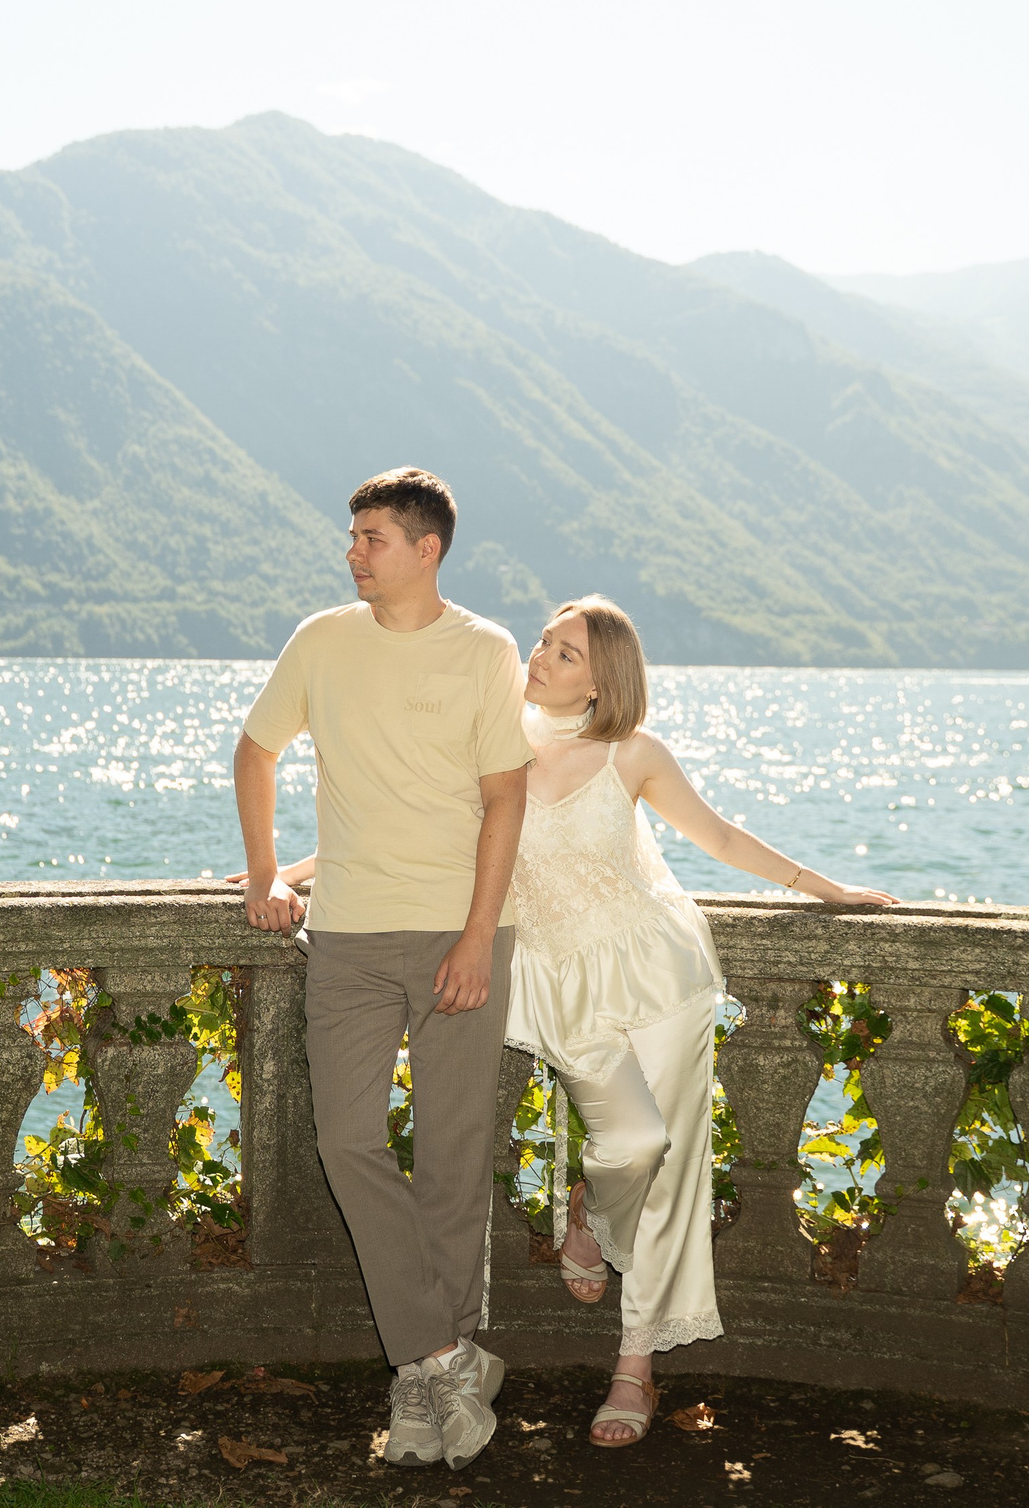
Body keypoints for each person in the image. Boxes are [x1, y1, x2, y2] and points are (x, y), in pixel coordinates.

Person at [254, 594, 896, 1448]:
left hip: (658, 969)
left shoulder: (633, 753)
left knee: (669, 1165)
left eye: (564, 653)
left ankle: (635, 1365)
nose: (541, 657)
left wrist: (828, 890)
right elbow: (406, 831)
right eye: (545, 643)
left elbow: (724, 839)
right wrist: (282, 872)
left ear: (603, 681)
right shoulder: (494, 734)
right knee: (631, 1145)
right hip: (560, 983)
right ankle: (588, 1209)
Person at [233, 467, 531, 1472]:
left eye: (370, 538)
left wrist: (479, 935)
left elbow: (504, 800)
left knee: (451, 1159)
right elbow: (255, 749)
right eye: (352, 536)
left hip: (459, 930)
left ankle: (417, 1390)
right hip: (350, 936)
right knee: (346, 1137)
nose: (352, 552)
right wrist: (267, 874)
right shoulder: (321, 640)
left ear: (424, 548)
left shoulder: (485, 651)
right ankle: (442, 1355)